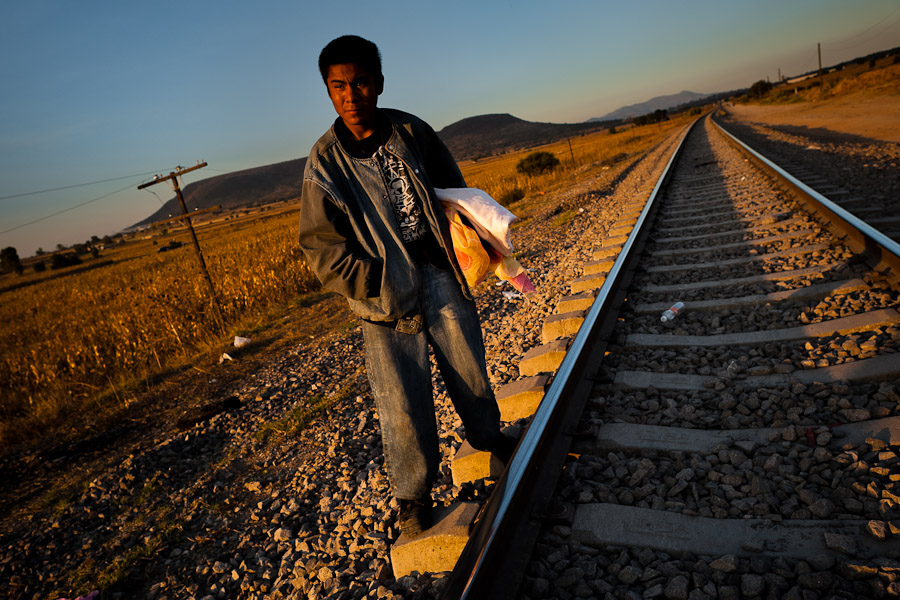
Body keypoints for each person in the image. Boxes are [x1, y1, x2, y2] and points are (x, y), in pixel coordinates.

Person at [298, 35, 515, 537]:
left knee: (469, 370)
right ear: (328, 92)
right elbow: (320, 248)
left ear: (378, 83)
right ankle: (413, 500)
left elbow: (451, 192)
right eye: (338, 87)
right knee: (400, 402)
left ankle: (490, 439)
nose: (351, 96)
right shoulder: (323, 165)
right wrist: (372, 280)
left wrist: (470, 243)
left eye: (360, 83)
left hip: (439, 274)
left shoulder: (411, 131)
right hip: (381, 298)